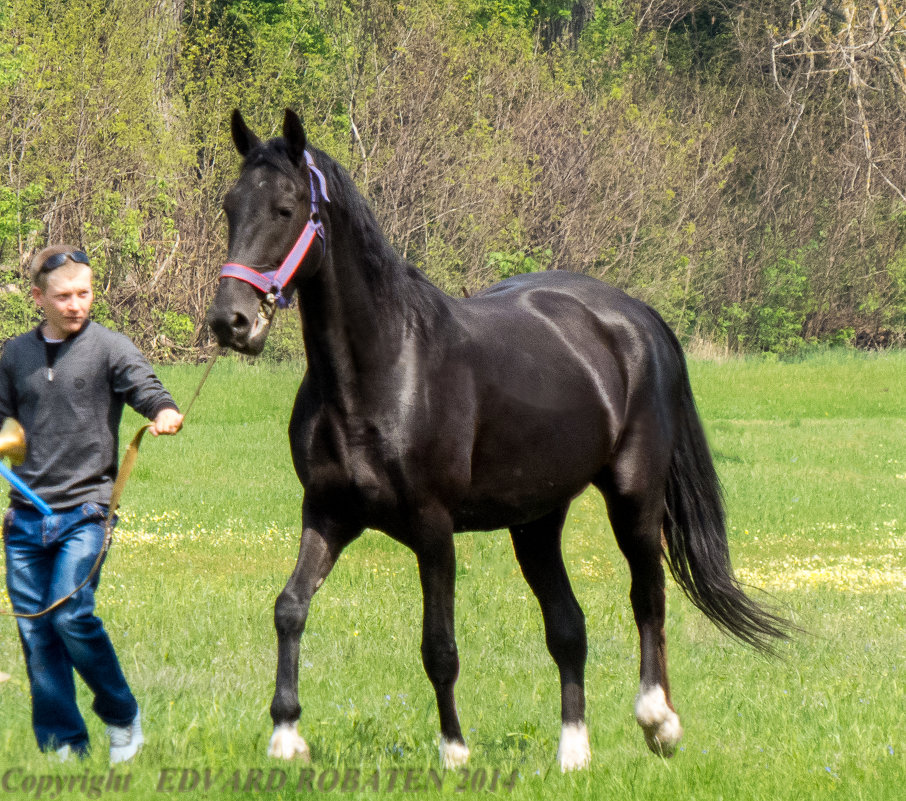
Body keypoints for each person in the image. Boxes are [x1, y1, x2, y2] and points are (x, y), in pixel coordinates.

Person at [0, 244, 184, 762]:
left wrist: (163, 409)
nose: (75, 304)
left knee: (72, 615)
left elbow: (143, 385)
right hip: (25, 517)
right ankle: (64, 747)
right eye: (63, 296)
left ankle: (123, 718)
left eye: (83, 293)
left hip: (86, 511)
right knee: (36, 632)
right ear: (39, 297)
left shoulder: (108, 347)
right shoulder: (15, 354)